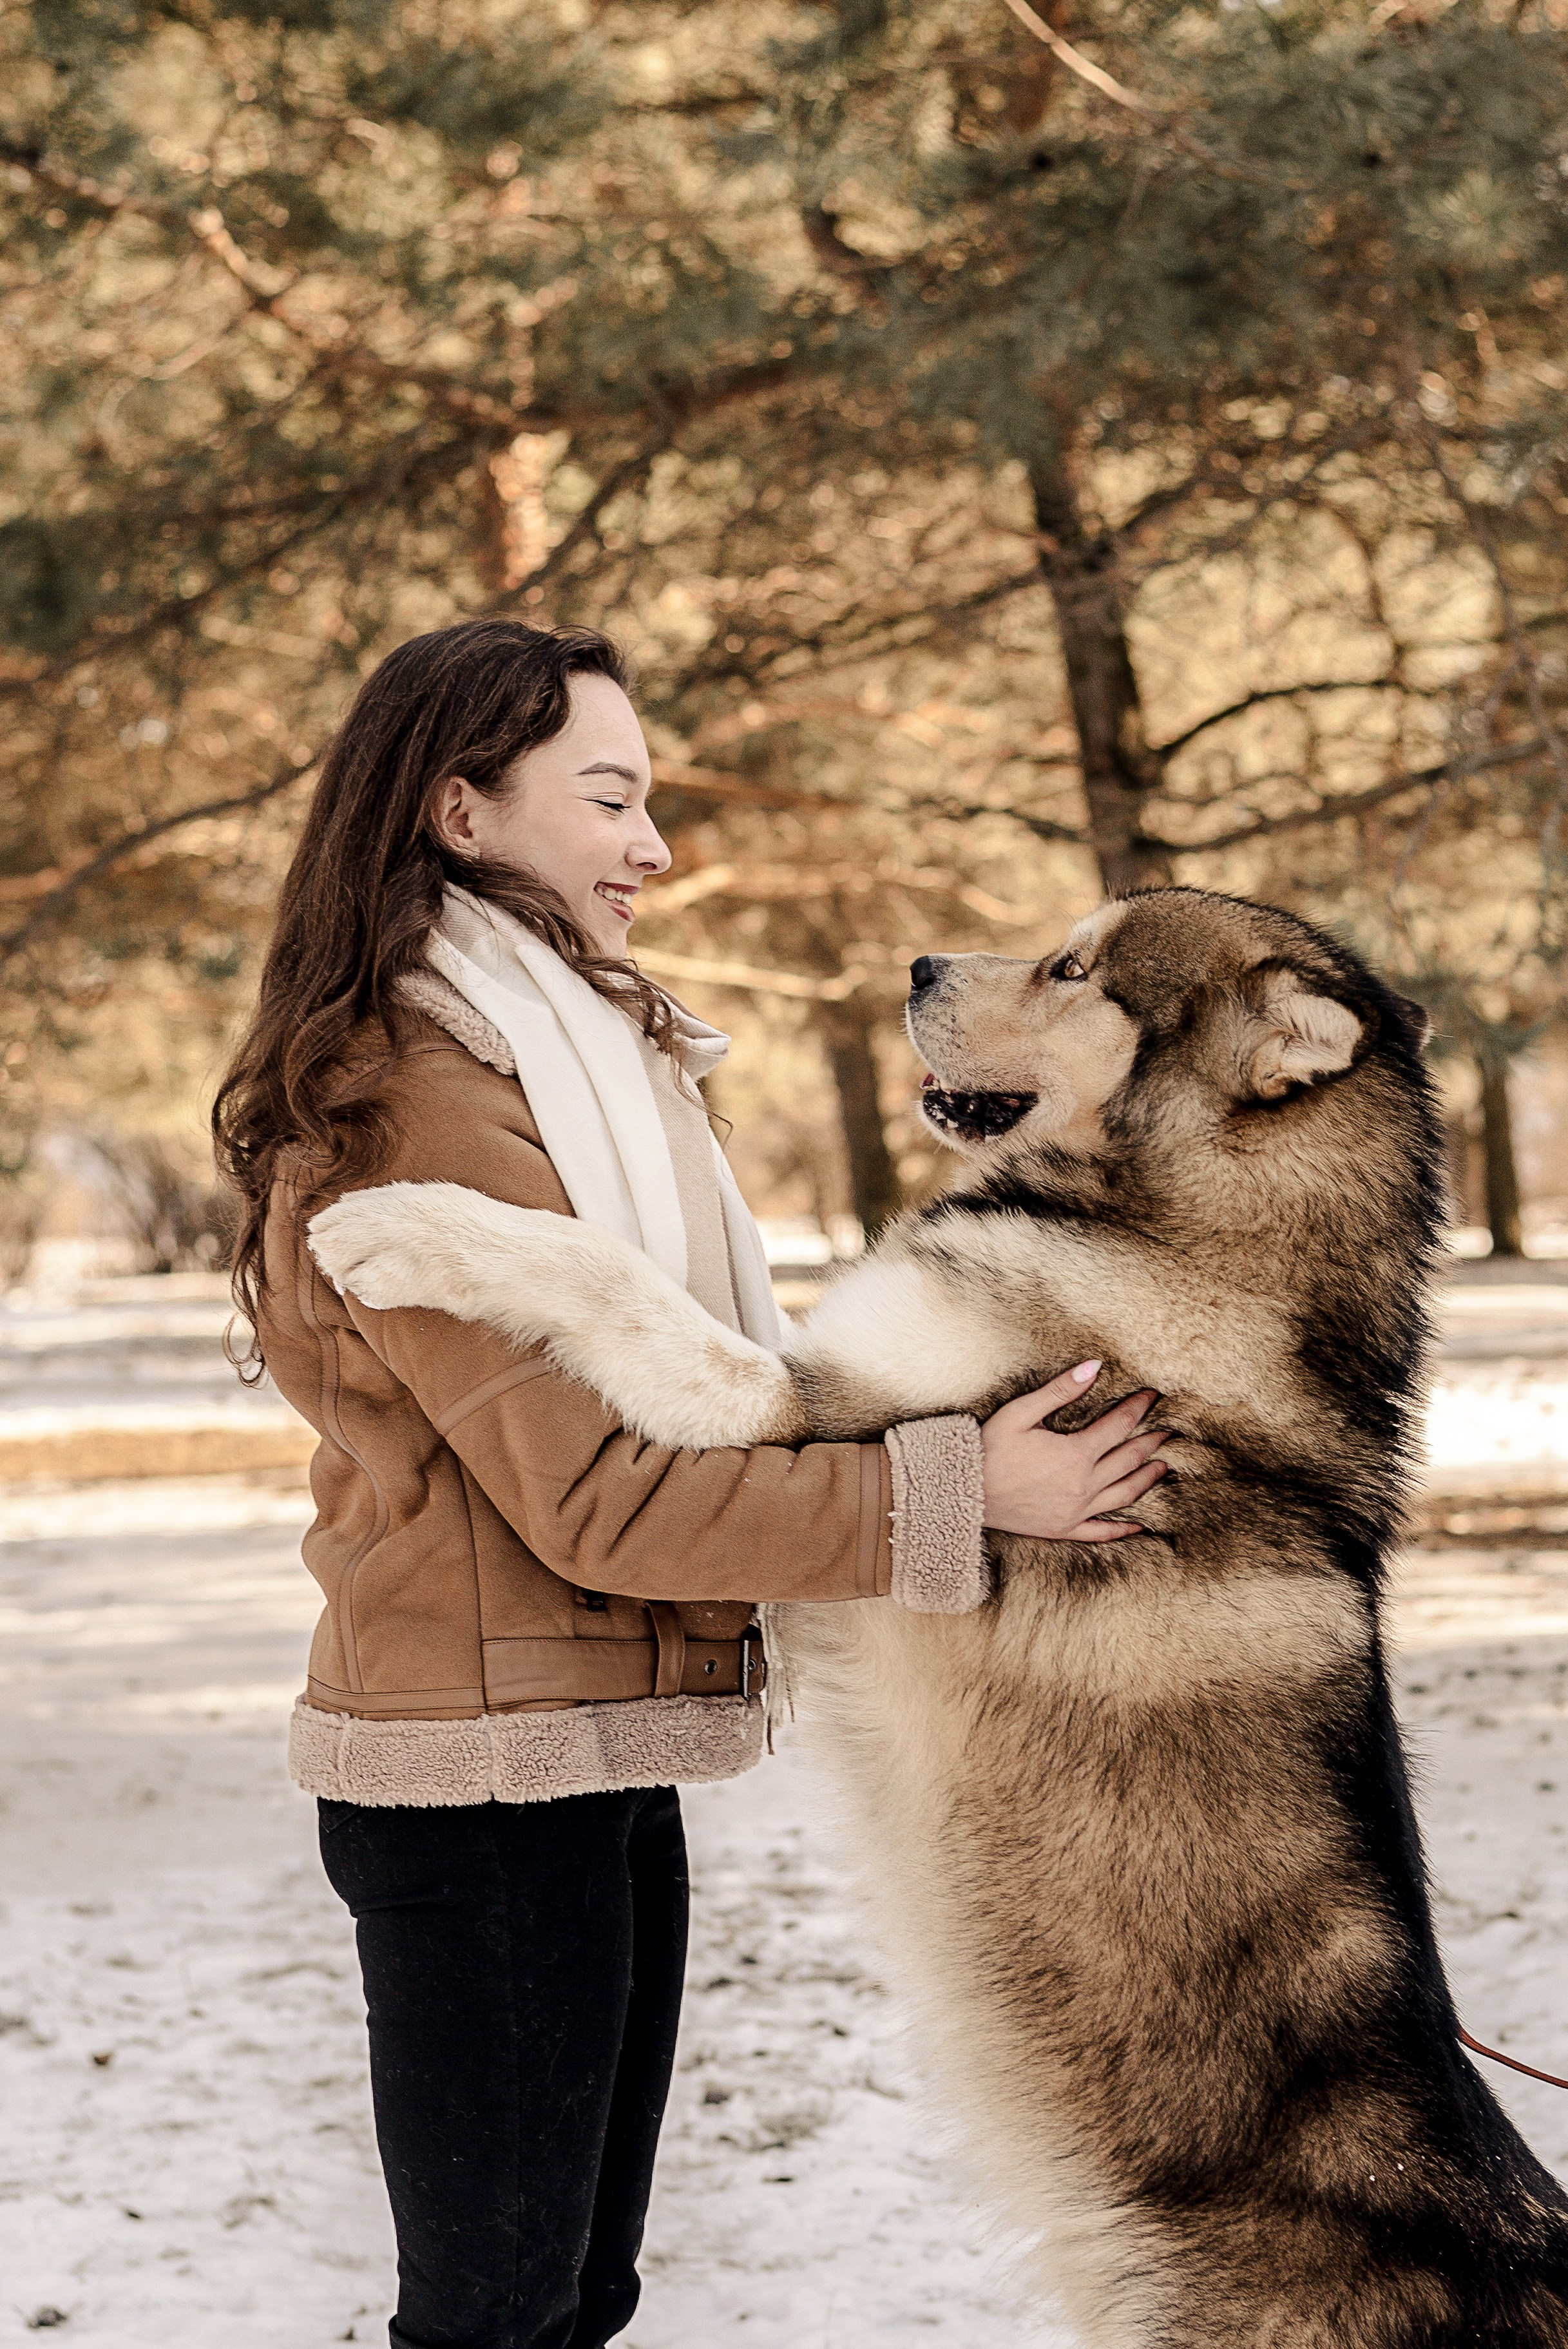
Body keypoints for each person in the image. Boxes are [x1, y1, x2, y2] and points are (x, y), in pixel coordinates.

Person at [213, 618, 1169, 2349]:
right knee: (499, 2321)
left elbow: (703, 1412)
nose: (653, 846)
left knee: (571, 2300)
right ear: (459, 813)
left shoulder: (558, 1061)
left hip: (578, 1760)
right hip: (481, 1790)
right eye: (609, 799)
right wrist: (960, 1491)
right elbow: (603, 1500)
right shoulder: (417, 1097)